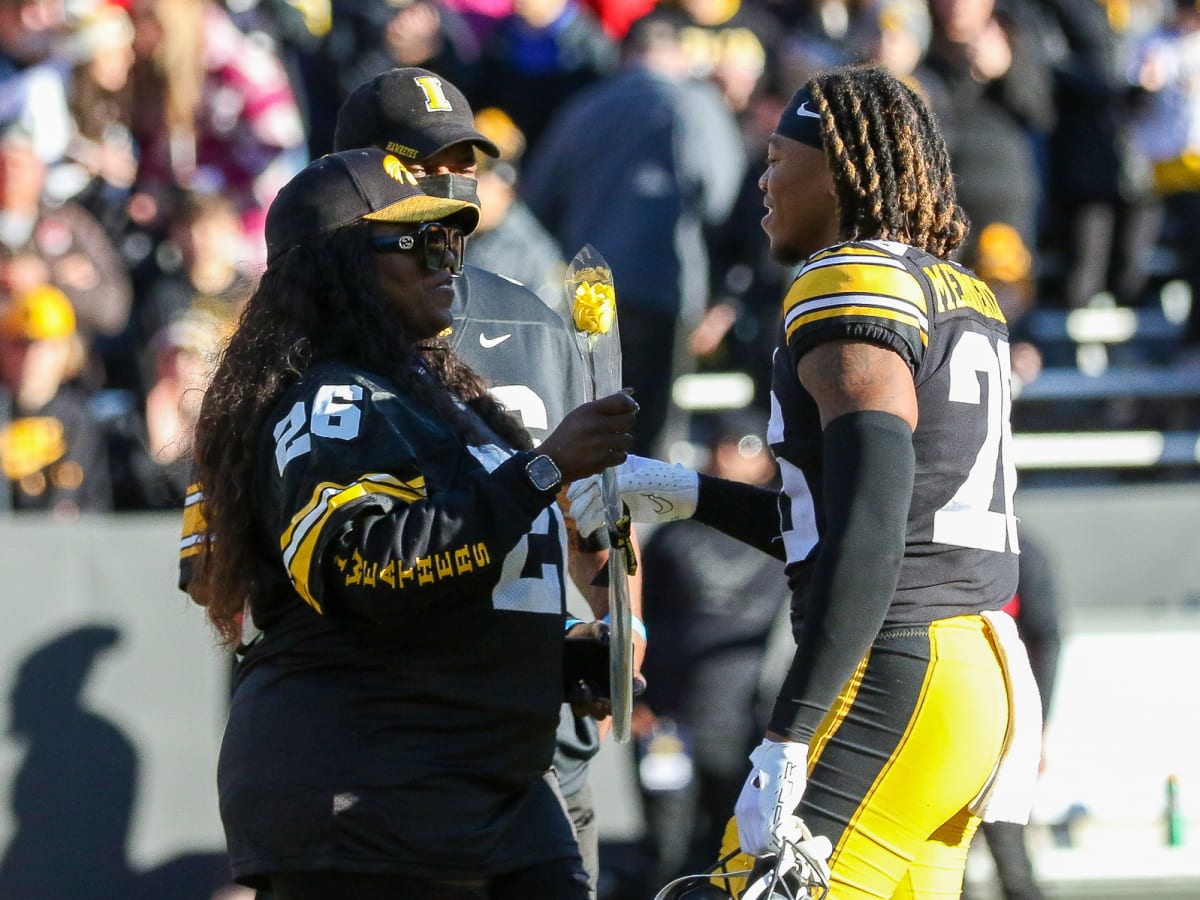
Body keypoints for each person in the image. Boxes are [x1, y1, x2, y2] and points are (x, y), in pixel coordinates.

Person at [569, 64, 1043, 899]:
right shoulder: (957, 291)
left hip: (896, 667)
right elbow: (842, 520)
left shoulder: (845, 280)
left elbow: (873, 523)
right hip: (974, 675)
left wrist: (789, 735)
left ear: (838, 171)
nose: (762, 178)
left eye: (778, 157)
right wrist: (683, 489)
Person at [186, 146, 638, 898]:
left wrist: (552, 660)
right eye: (422, 242)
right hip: (371, 782)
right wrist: (547, 467)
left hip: (489, 780)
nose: (448, 260)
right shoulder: (326, 401)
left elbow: (456, 587)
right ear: (339, 265)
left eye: (454, 240)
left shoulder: (443, 397)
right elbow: (372, 571)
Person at [331, 65, 646, 896]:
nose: (454, 189)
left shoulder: (534, 316)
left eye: (464, 167)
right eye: (425, 167)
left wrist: (619, 620)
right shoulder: (309, 331)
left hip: (536, 731)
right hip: (390, 728)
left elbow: (593, 504)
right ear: (358, 176)